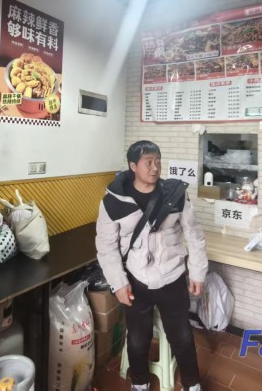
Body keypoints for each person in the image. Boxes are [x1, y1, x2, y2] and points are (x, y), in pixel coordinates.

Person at [96, 141, 208, 391]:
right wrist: (118, 283)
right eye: (148, 162)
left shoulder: (176, 195)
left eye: (158, 161)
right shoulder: (113, 202)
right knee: (137, 338)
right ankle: (140, 383)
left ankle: (192, 384)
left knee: (182, 336)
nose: (155, 167)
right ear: (133, 166)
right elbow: (106, 246)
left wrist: (198, 272)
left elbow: (194, 235)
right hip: (135, 280)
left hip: (172, 276)